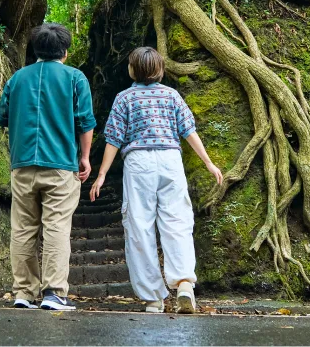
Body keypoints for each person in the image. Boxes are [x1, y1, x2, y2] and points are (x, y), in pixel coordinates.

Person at [90, 47, 223, 314]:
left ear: (132, 70)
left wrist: (102, 174)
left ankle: (153, 297)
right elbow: (188, 130)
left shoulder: (124, 98)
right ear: (160, 69)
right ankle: (184, 283)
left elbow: (114, 138)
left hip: (139, 164)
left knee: (139, 225)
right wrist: (208, 162)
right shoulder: (171, 95)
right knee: (177, 222)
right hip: (170, 160)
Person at [0, 23, 95, 311]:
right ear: (64, 51)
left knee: (23, 228)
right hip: (60, 164)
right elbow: (85, 122)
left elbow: (4, 118)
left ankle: (23, 293)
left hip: (23, 164)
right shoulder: (75, 78)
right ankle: (53, 294)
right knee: (56, 227)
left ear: (35, 49)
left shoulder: (17, 79)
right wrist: (85, 157)